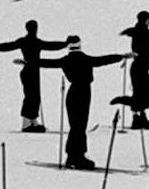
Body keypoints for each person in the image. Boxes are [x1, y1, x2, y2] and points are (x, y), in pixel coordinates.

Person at [41, 36, 126, 169]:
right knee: (80, 125)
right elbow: (103, 60)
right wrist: (121, 56)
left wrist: (28, 62)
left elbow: (47, 62)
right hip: (84, 92)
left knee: (75, 124)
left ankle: (73, 155)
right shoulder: (86, 59)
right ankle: (77, 156)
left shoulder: (66, 60)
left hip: (72, 91)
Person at [0, 21, 71, 133]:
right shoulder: (37, 42)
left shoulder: (23, 41)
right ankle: (26, 123)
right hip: (32, 70)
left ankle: (32, 120)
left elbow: (8, 46)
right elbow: (52, 46)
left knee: (33, 95)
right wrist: (65, 44)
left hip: (29, 70)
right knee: (31, 95)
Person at [123, 12, 149, 130]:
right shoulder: (145, 32)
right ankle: (140, 117)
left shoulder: (134, 31)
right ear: (147, 20)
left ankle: (137, 116)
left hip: (136, 63)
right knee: (144, 90)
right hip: (143, 64)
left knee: (137, 89)